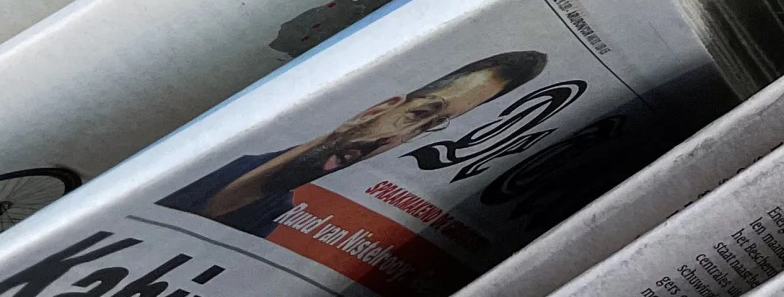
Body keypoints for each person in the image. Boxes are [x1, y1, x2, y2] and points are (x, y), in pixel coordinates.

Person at [158, 51, 547, 236]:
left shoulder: (268, 222)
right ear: (375, 109)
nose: (395, 138)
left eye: (431, 126)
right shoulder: (208, 152)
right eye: (418, 114)